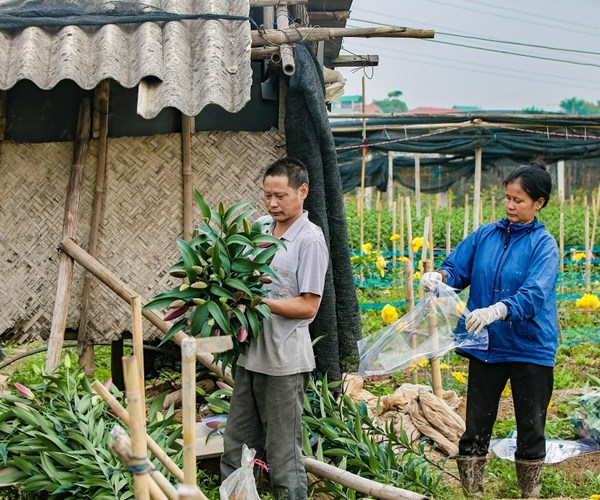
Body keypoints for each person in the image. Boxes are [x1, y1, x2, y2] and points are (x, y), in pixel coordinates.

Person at [421, 159, 558, 498]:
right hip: (485, 345)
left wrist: (500, 309)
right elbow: (458, 267)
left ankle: (530, 492)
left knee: (530, 425)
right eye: (508, 198)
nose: (510, 205)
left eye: (519, 200)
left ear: (538, 203)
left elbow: (536, 293)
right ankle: (473, 491)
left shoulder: (544, 245)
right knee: (477, 422)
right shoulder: (486, 235)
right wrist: (441, 277)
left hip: (530, 347)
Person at [220, 157, 329, 499]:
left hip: (284, 362)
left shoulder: (309, 240)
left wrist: (260, 303)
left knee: (283, 454)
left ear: (302, 191)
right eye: (267, 195)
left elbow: (309, 305)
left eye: (280, 195)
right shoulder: (260, 228)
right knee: (235, 446)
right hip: (250, 356)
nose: (272, 203)